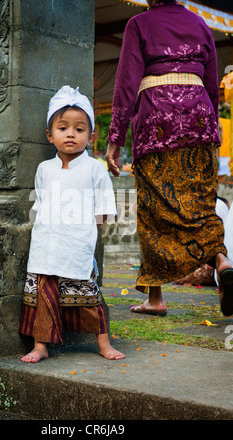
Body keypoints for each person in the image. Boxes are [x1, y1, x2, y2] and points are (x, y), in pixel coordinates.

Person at [105, 0, 233, 316]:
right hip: (199, 123)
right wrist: (210, 128)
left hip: (156, 123)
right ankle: (222, 260)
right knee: (200, 204)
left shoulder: (139, 23)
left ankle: (156, 298)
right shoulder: (200, 23)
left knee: (153, 208)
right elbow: (213, 89)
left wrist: (114, 140)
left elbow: (125, 84)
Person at [19, 85, 125, 362]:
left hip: (78, 242)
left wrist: (87, 234)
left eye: (79, 130)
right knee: (43, 294)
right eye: (63, 127)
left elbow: (102, 208)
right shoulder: (44, 169)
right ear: (49, 135)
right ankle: (40, 345)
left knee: (89, 295)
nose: (70, 134)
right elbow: (40, 203)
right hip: (45, 243)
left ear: (90, 137)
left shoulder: (95, 170)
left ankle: (103, 343)